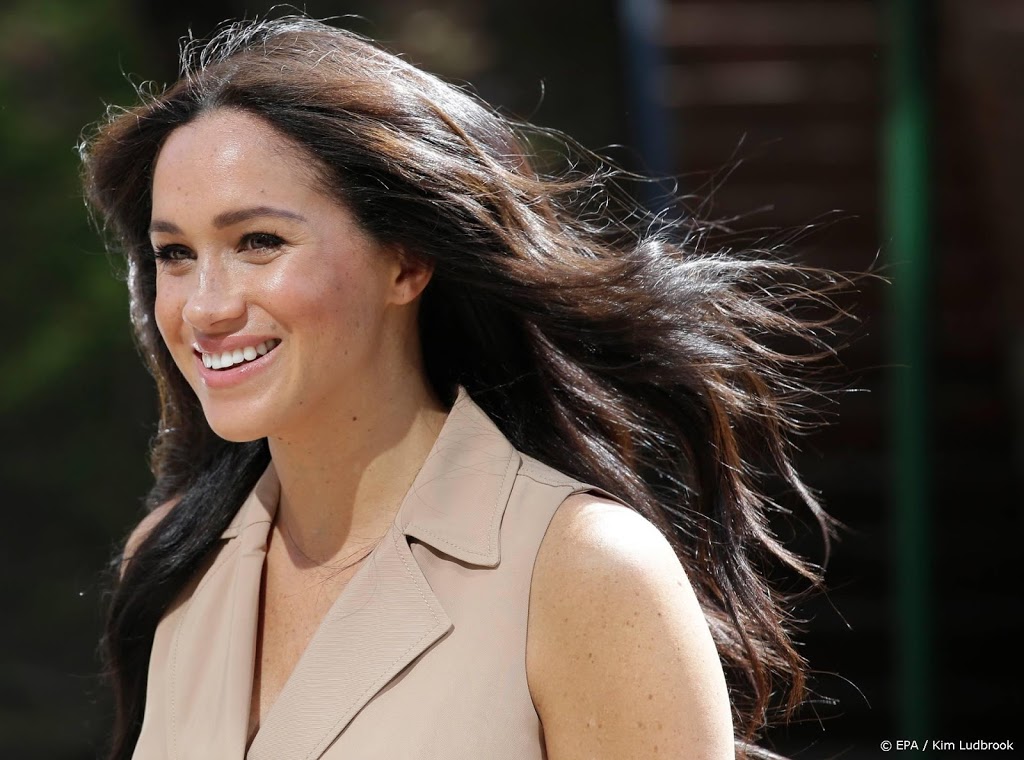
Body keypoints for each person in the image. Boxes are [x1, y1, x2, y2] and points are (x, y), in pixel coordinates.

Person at [80, 15, 852, 760]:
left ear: (407, 262)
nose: (205, 306)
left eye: (258, 242)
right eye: (175, 254)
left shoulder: (584, 569)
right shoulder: (175, 561)